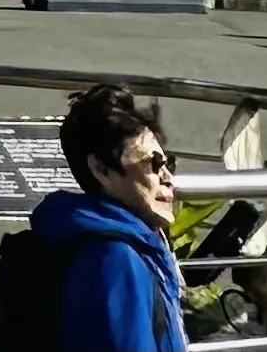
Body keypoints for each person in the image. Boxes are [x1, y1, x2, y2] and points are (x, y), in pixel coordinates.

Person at [14, 84, 185, 352]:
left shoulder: (111, 242)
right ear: (101, 169)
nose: (168, 179)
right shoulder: (116, 259)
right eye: (152, 164)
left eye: (168, 164)